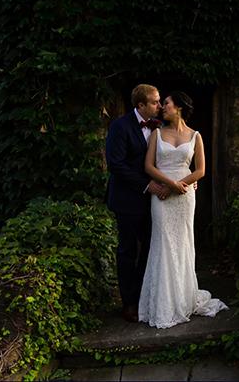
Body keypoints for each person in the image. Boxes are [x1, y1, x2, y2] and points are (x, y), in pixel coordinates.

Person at [139, 91, 228, 328]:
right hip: (162, 195)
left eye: (166, 103)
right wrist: (169, 184)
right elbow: (148, 166)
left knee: (183, 244)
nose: (162, 107)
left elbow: (200, 170)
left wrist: (180, 185)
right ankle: (163, 304)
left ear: (178, 107)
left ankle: (183, 299)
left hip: (184, 196)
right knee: (163, 243)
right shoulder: (157, 134)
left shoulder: (195, 136)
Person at [105, 84, 171, 323]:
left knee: (152, 248)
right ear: (140, 105)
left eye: (160, 101)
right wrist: (146, 185)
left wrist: (184, 180)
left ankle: (144, 295)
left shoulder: (160, 126)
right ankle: (129, 303)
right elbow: (116, 164)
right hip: (127, 200)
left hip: (154, 202)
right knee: (128, 251)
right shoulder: (120, 126)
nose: (160, 105)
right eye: (154, 102)